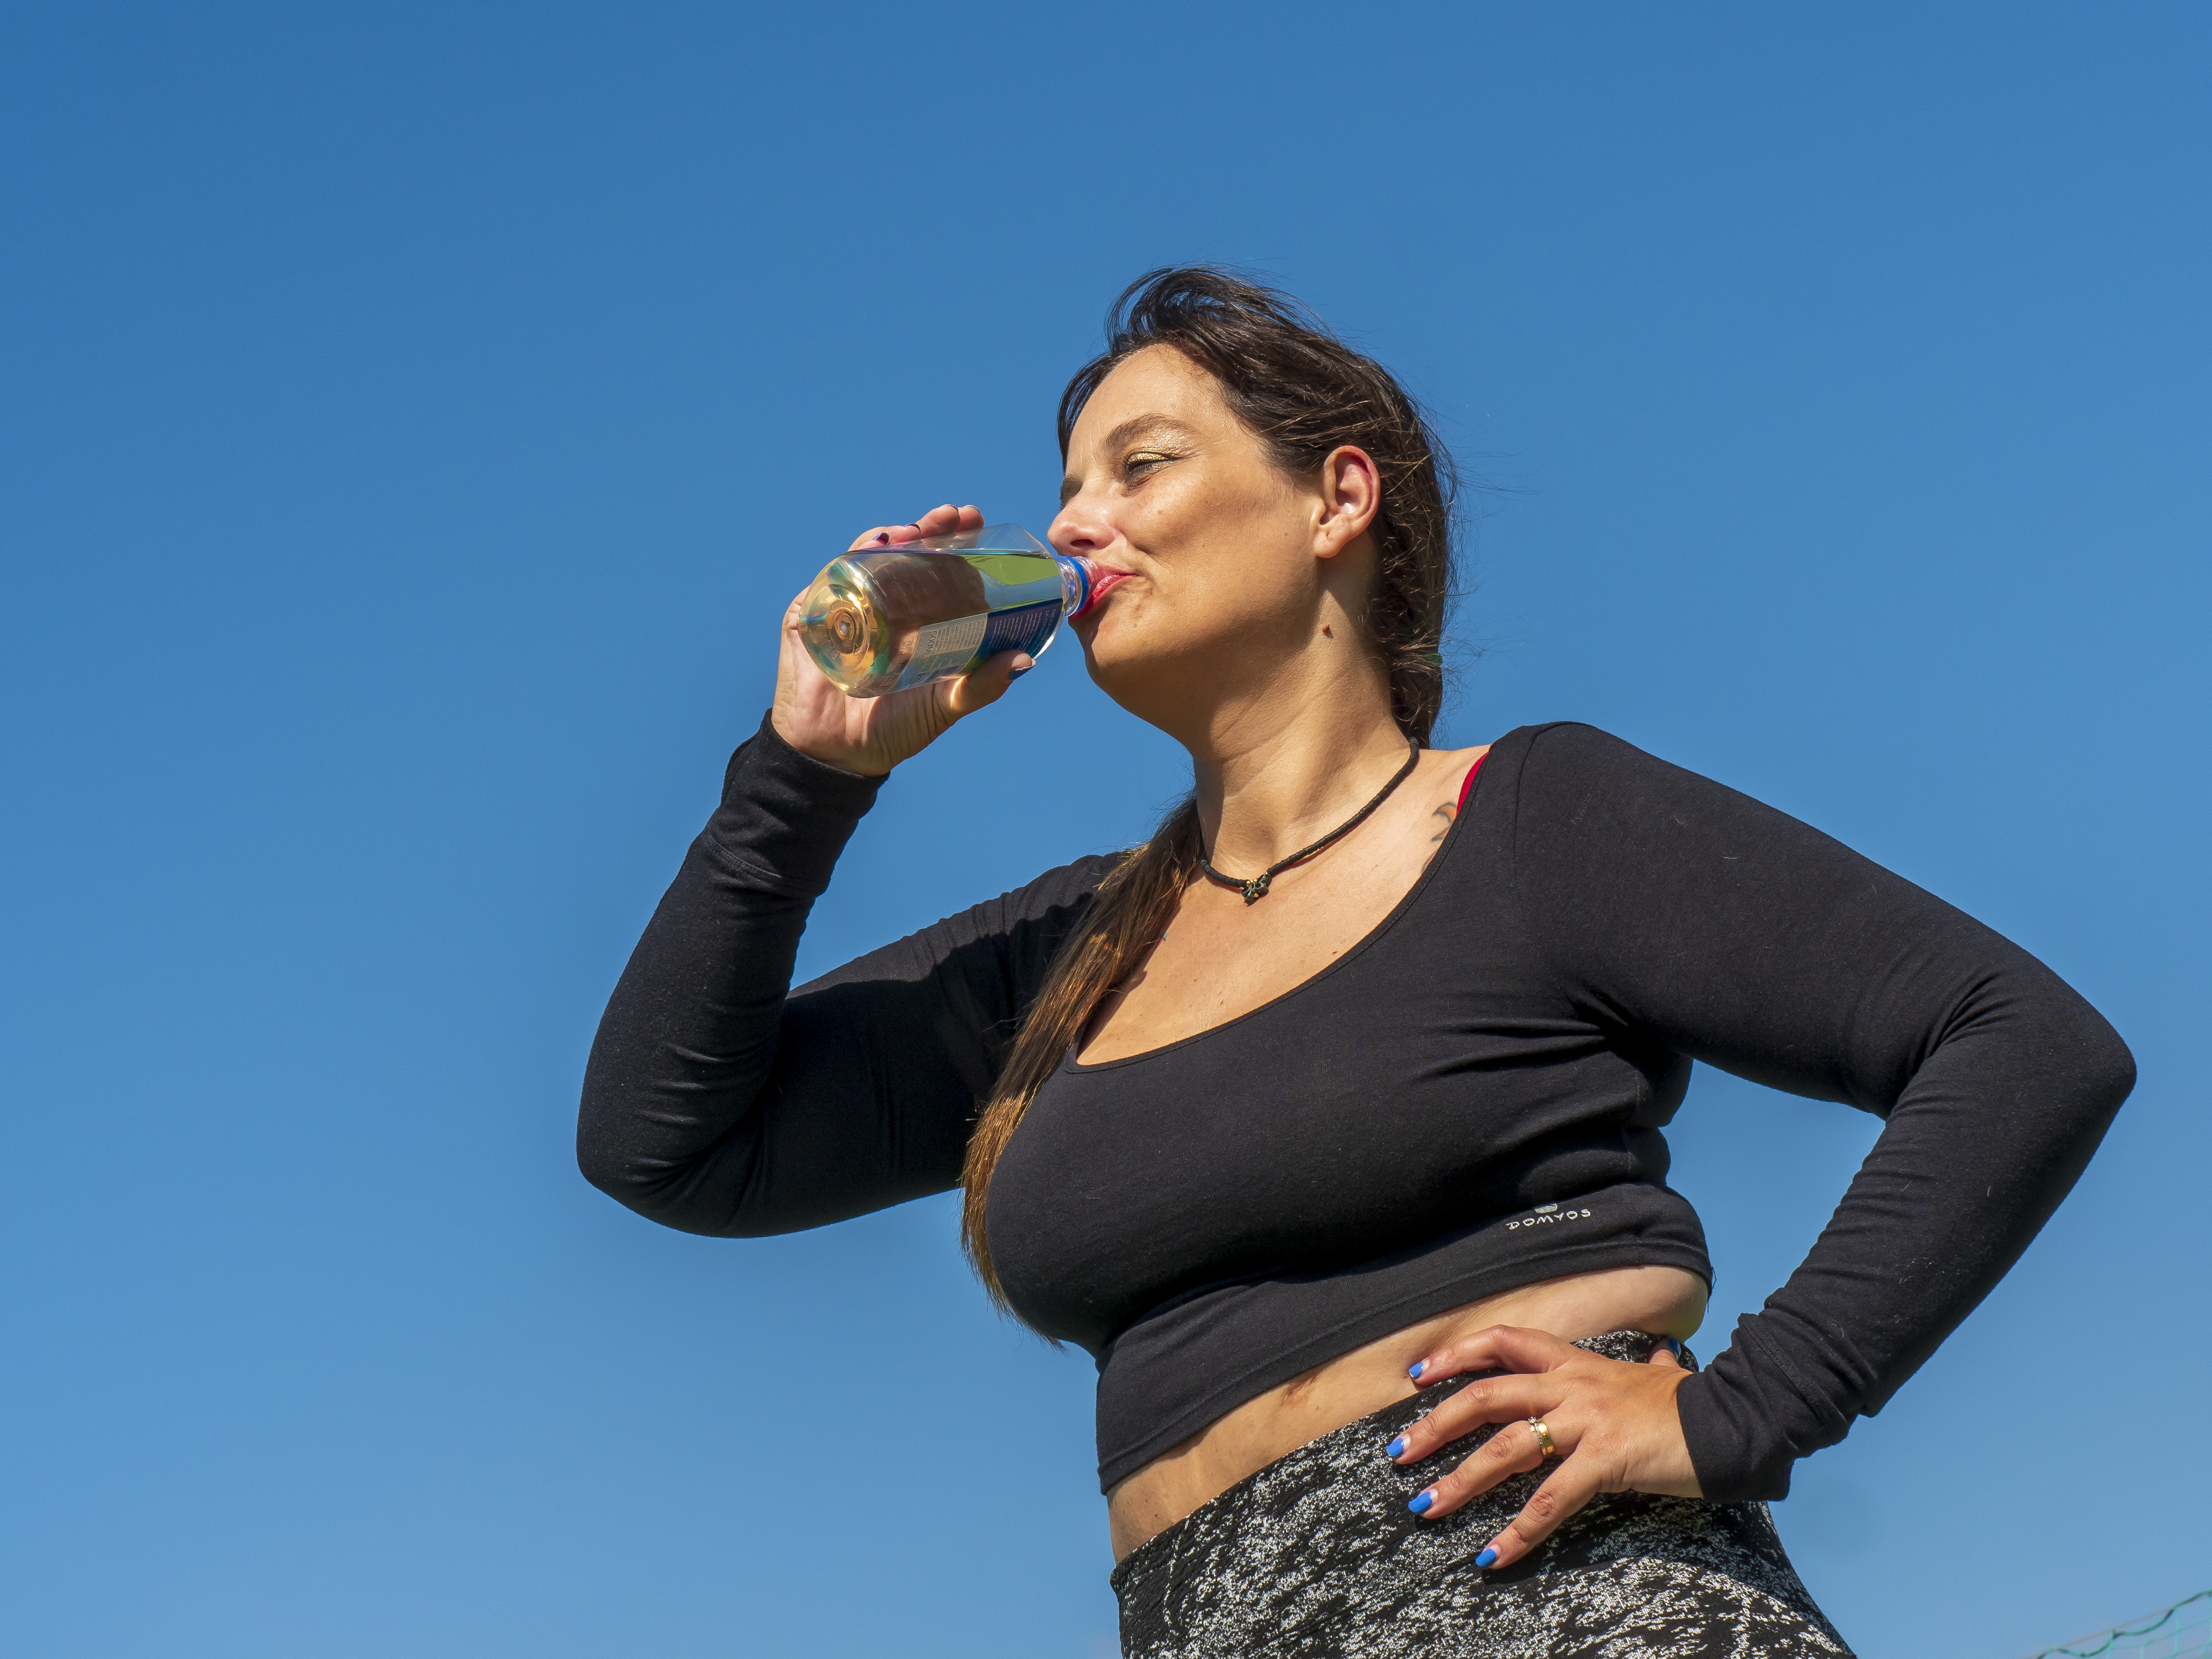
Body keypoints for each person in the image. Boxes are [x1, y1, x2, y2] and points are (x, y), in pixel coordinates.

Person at [575, 269, 2134, 1658]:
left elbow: (2019, 1038)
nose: (1069, 525)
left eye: (1142, 465)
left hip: (1568, 1607)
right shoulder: (1060, 955)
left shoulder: (1529, 819)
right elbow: (668, 1143)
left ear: (1336, 498)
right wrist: (806, 775)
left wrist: (1746, 1410)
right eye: (1066, 487)